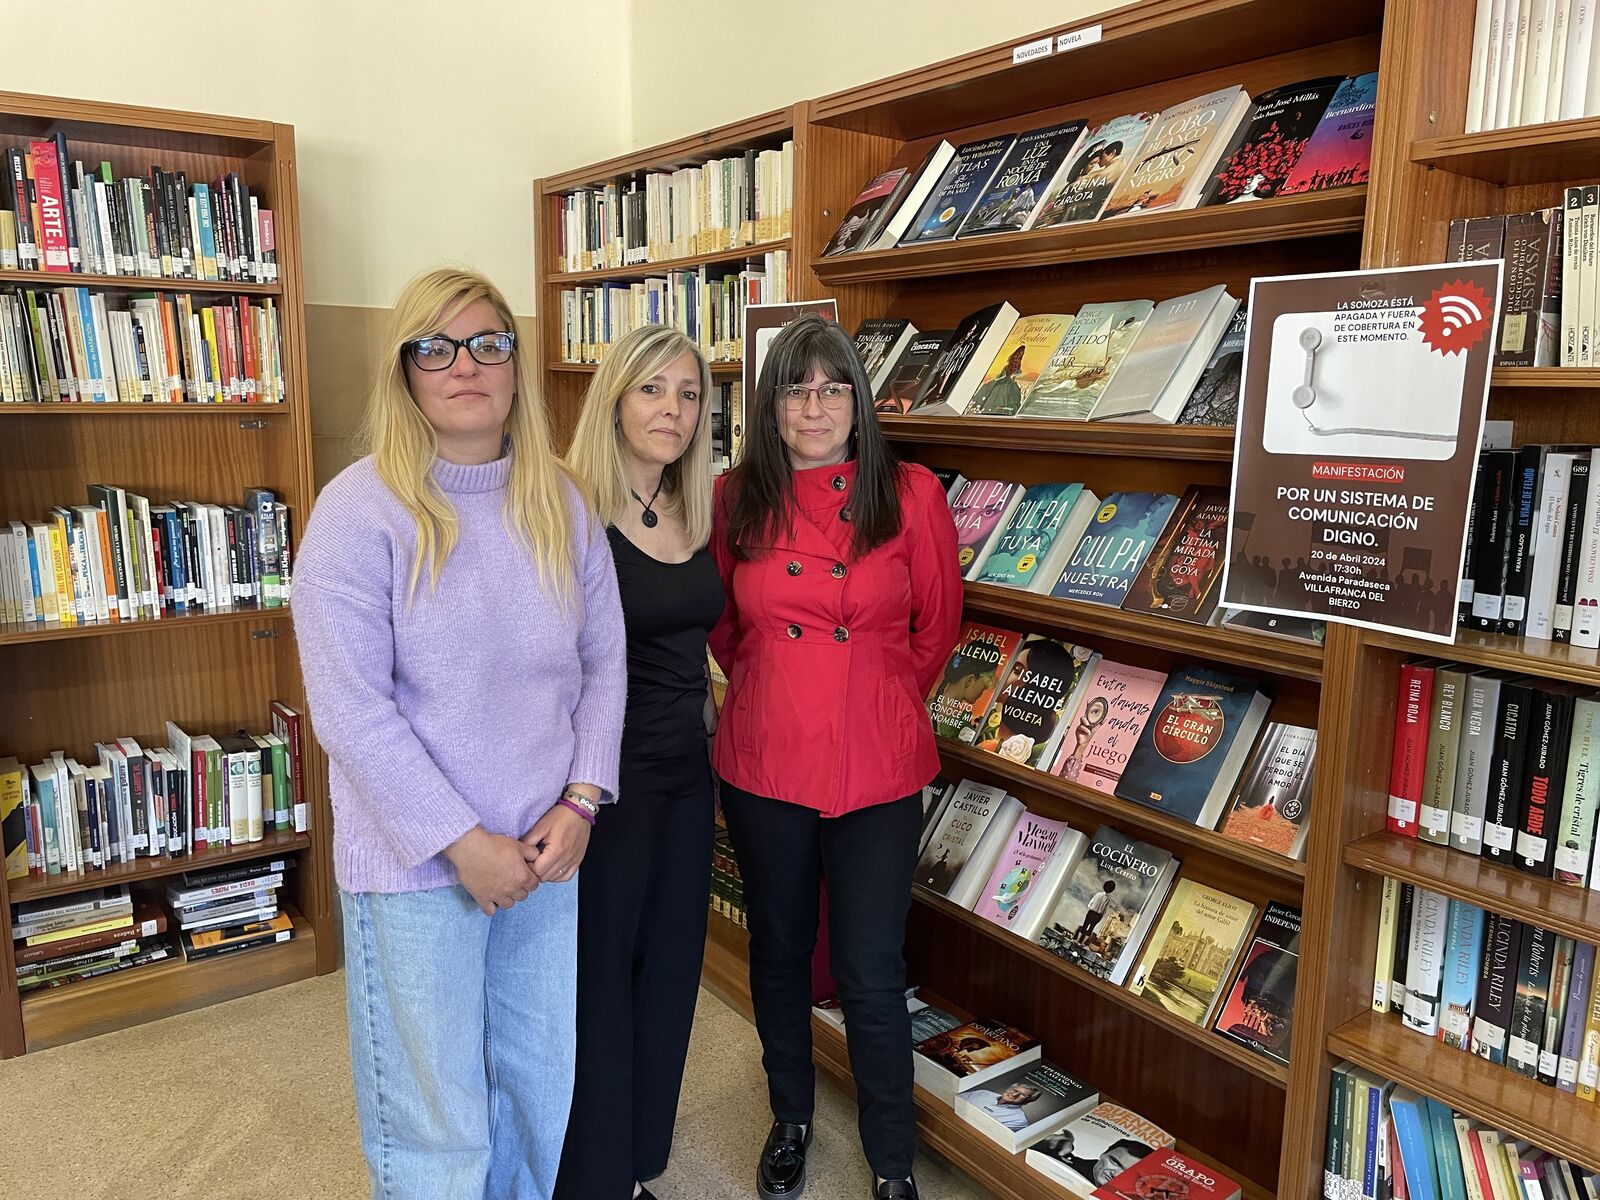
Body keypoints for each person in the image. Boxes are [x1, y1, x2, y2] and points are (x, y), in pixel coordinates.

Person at [292, 268, 625, 1200]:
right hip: (417, 868)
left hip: (544, 852)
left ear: (517, 368)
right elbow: (353, 711)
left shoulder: (560, 503)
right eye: (433, 348)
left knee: (533, 1089)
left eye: (487, 343)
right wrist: (462, 843)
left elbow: (605, 664)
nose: (463, 366)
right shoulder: (357, 513)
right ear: (404, 374)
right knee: (434, 1121)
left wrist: (583, 799)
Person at [709, 315, 962, 1200]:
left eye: (832, 387)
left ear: (859, 399)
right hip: (766, 758)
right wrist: (784, 685)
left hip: (878, 762)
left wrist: (875, 695)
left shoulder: (914, 493)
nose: (815, 406)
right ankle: (792, 1115)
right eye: (795, 388)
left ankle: (891, 1160)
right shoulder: (735, 497)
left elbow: (936, 627)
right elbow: (729, 630)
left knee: (869, 964)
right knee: (778, 947)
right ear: (770, 406)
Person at [556, 325, 723, 1200]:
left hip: (686, 776)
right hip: (599, 781)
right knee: (599, 981)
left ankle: (635, 1166)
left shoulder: (697, 510)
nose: (672, 409)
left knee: (668, 971)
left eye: (689, 394)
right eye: (653, 389)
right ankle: (589, 1176)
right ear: (615, 398)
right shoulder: (568, 506)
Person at [963, 1081, 1042, 1133]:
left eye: (1022, 1095)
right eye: (1014, 1090)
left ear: (1027, 1101)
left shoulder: (1019, 1121)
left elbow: (985, 1132)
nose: (1014, 1094)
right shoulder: (983, 1093)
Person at [1077, 879, 1117, 944]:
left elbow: (1091, 902)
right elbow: (1103, 909)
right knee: (1090, 929)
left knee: (1084, 926)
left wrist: (1090, 908)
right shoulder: (1108, 899)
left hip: (1091, 912)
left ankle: (1077, 940)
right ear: (1112, 890)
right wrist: (1100, 915)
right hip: (1097, 915)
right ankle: (1082, 943)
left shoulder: (1098, 894)